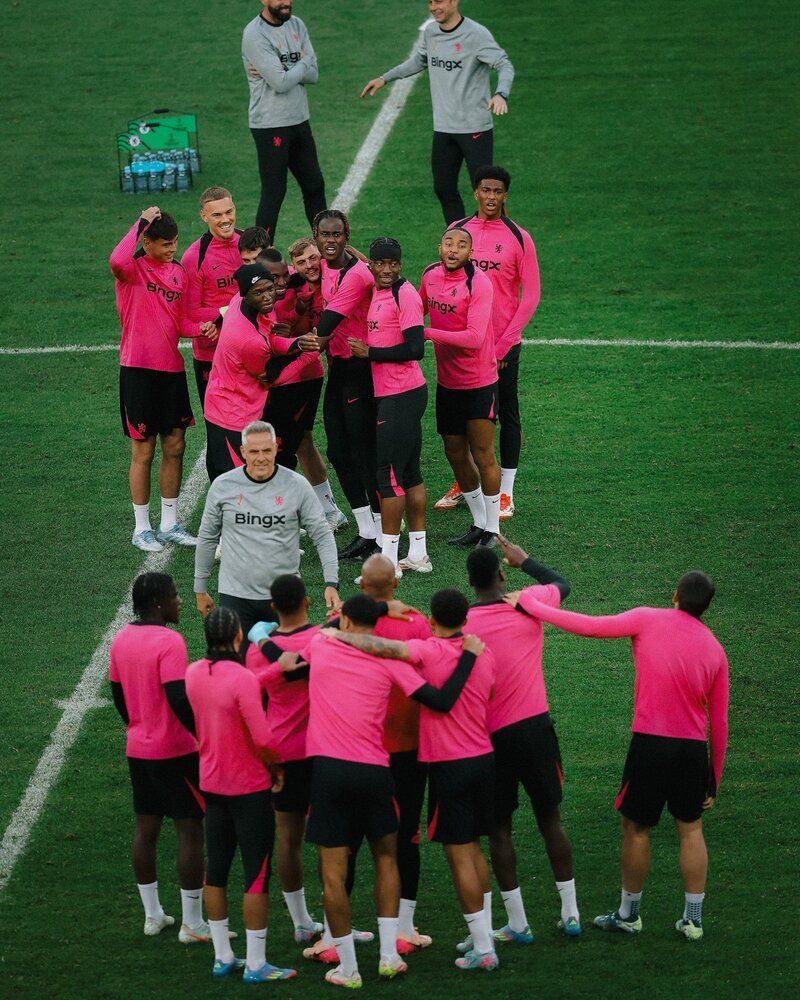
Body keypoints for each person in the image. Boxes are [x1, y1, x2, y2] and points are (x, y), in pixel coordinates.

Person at [510, 571, 730, 942]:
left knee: (636, 828)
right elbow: (719, 721)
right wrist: (714, 778)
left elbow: (590, 626)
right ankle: (693, 920)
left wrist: (531, 604)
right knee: (691, 829)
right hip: (692, 750)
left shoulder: (647, 618)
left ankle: (629, 915)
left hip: (651, 745)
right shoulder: (715, 649)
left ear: (675, 595)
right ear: (706, 607)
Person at [304, 594, 483, 988]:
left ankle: (348, 968)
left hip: (330, 773)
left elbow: (313, 639)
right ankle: (389, 956)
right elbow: (440, 700)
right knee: (387, 858)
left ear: (345, 622)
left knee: (333, 872)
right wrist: (468, 657)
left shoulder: (320, 645)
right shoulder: (389, 661)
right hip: (376, 772)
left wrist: (377, 609)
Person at [465, 539, 581, 939]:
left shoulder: (463, 625)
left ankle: (517, 922)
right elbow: (562, 584)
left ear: (470, 582)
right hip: (536, 731)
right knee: (550, 819)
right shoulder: (529, 602)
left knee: (499, 830)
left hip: (491, 740)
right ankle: (571, 913)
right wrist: (525, 560)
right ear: (501, 574)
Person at [185, 607, 296, 982]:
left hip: (212, 784)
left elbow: (227, 694)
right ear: (237, 637)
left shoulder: (194, 673)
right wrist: (277, 767)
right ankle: (256, 963)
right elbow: (262, 738)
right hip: (248, 789)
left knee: (216, 870)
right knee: (256, 874)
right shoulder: (242, 680)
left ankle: (222, 957)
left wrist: (274, 670)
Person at [110, 206, 217, 551]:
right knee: (144, 449)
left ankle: (170, 523)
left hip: (171, 370)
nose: (173, 249)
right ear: (148, 242)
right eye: (166, 244)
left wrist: (202, 327)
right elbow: (116, 259)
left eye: (175, 243)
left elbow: (180, 321)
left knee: (175, 445)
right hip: (138, 371)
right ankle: (141, 528)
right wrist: (141, 221)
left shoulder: (177, 273)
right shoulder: (131, 270)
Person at [436, 166, 541, 518]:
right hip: (463, 346)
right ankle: (465, 481)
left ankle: (506, 490)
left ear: (505, 195)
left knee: (507, 412)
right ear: (476, 192)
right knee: (464, 416)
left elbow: (531, 296)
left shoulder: (519, 237)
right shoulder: (457, 230)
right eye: (486, 190)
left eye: (498, 191)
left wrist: (504, 344)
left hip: (501, 346)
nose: (491, 197)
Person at [108, 573, 207, 943]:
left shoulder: (121, 638)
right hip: (175, 751)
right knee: (190, 829)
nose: (179, 601)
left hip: (139, 749)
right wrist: (204, 736)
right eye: (174, 595)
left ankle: (153, 916)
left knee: (146, 829)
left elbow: (118, 693)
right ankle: (192, 924)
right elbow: (178, 697)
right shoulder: (170, 641)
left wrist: (138, 726)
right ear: (157, 603)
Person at [361, 0, 514, 223]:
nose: (434, 7)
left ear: (454, 1)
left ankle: (501, 237)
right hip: (444, 128)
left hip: (475, 128)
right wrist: (385, 78)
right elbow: (419, 60)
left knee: (487, 193)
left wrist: (501, 94)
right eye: (430, 2)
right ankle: (458, 236)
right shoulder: (431, 32)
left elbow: (504, 64)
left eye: (439, 1)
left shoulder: (476, 34)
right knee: (443, 188)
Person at [194, 420, 339, 650]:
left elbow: (321, 534)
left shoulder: (297, 485)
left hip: (284, 597)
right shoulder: (223, 486)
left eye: (266, 451)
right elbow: (207, 537)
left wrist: (331, 582)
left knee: (288, 664)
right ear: (243, 452)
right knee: (239, 662)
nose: (261, 458)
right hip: (236, 595)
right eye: (254, 452)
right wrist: (200, 588)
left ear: (275, 449)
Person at [244, 574, 323, 946]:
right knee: (331, 840)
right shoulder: (322, 640)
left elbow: (252, 703)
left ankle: (301, 921)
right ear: (307, 601)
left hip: (282, 754)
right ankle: (335, 921)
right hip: (323, 751)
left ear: (273, 607)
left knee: (288, 839)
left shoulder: (257, 651)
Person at [347, 238, 430, 574]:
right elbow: (369, 265)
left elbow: (415, 348)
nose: (386, 270)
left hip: (401, 394)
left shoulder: (404, 295)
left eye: (392, 264)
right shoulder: (381, 287)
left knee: (389, 476)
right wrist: (351, 252)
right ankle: (418, 554)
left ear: (400, 265)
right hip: (397, 393)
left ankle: (389, 561)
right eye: (379, 263)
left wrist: (371, 353)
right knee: (410, 474)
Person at [420, 228, 500, 547]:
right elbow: (415, 309)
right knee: (454, 451)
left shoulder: (479, 283)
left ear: (470, 252)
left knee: (482, 454)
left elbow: (475, 338)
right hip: (448, 382)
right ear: (439, 247)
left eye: (461, 245)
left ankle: (493, 529)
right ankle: (479, 522)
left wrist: (427, 333)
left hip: (479, 382)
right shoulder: (430, 276)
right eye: (449, 243)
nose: (454, 249)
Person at [203, 263, 315, 482]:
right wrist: (309, 353)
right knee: (241, 485)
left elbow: (269, 338)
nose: (267, 297)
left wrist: (297, 343)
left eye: (270, 289)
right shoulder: (249, 340)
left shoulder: (239, 303)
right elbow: (269, 376)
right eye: (259, 293)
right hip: (235, 415)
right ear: (246, 295)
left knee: (226, 482)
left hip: (220, 404)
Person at [313, 210, 380, 559]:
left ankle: (382, 534)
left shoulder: (356, 275)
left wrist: (283, 349)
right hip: (339, 367)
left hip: (361, 369)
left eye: (337, 234)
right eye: (325, 234)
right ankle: (366, 531)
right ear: (316, 236)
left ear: (346, 235)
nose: (331, 240)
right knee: (338, 451)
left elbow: (326, 324)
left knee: (363, 451)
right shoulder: (323, 266)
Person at [242, 0, 326, 243]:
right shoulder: (255, 34)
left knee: (314, 185)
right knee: (274, 192)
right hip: (270, 124)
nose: (285, 2)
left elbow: (314, 75)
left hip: (299, 119)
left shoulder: (297, 25)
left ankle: (327, 248)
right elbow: (281, 83)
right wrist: (302, 63)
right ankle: (260, 254)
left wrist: (286, 69)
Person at [182, 186, 243, 408]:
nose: (225, 220)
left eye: (229, 212)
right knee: (217, 422)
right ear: (204, 216)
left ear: (234, 208)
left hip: (250, 351)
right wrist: (229, 312)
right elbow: (191, 312)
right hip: (212, 356)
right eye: (217, 215)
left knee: (257, 421)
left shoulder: (249, 243)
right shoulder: (194, 257)